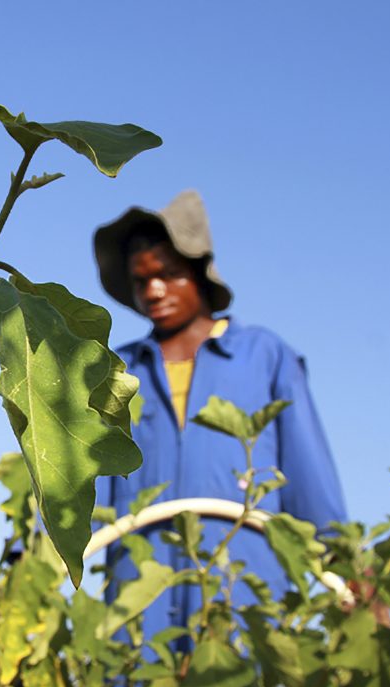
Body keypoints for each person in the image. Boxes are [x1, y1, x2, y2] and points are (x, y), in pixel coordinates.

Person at [93, 189, 348, 647]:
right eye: (141, 280)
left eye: (167, 275)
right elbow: (89, 489)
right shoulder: (118, 370)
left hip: (245, 592)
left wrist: (346, 567)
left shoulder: (263, 356)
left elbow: (309, 476)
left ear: (197, 273)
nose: (153, 291)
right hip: (139, 604)